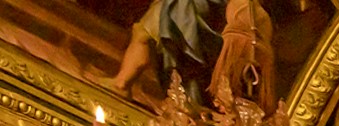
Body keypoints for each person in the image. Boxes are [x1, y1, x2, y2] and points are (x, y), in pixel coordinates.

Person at [101, 0, 276, 110]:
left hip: (214, 17)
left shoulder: (248, 12)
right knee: (149, 28)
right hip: (203, 12)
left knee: (161, 23)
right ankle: (123, 82)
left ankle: (124, 83)